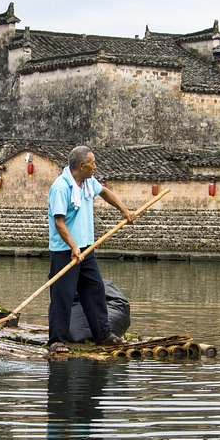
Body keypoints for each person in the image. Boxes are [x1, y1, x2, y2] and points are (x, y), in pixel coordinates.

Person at [46, 145, 135, 354]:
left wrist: (124, 210)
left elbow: (104, 192)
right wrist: (73, 247)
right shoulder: (61, 187)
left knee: (95, 290)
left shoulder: (88, 183)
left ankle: (103, 335)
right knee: (63, 295)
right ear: (81, 165)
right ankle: (56, 341)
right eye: (93, 163)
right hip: (65, 251)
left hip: (86, 248)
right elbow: (59, 222)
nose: (95, 166)